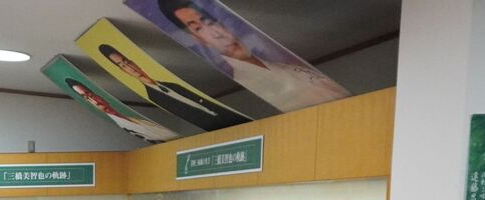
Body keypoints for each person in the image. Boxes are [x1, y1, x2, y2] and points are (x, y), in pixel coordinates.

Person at [158, 0, 348, 111]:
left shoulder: (281, 61)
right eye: (199, 28)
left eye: (210, 21)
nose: (217, 34)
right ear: (197, 39)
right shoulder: (249, 84)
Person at [97, 42, 248, 131]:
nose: (130, 67)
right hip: (219, 128)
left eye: (127, 62)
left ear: (134, 62)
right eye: (122, 66)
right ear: (122, 71)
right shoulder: (154, 98)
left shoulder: (173, 84)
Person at [64, 78, 177, 144]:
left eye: (91, 95)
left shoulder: (134, 116)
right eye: (87, 98)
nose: (94, 101)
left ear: (98, 95)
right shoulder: (121, 125)